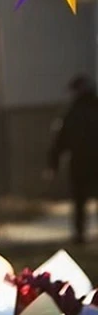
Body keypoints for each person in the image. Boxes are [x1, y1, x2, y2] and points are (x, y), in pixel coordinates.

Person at [47, 74, 98, 244]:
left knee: (79, 201)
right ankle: (80, 234)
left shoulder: (72, 114)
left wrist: (52, 164)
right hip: (90, 163)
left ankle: (80, 234)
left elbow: (60, 142)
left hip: (80, 164)